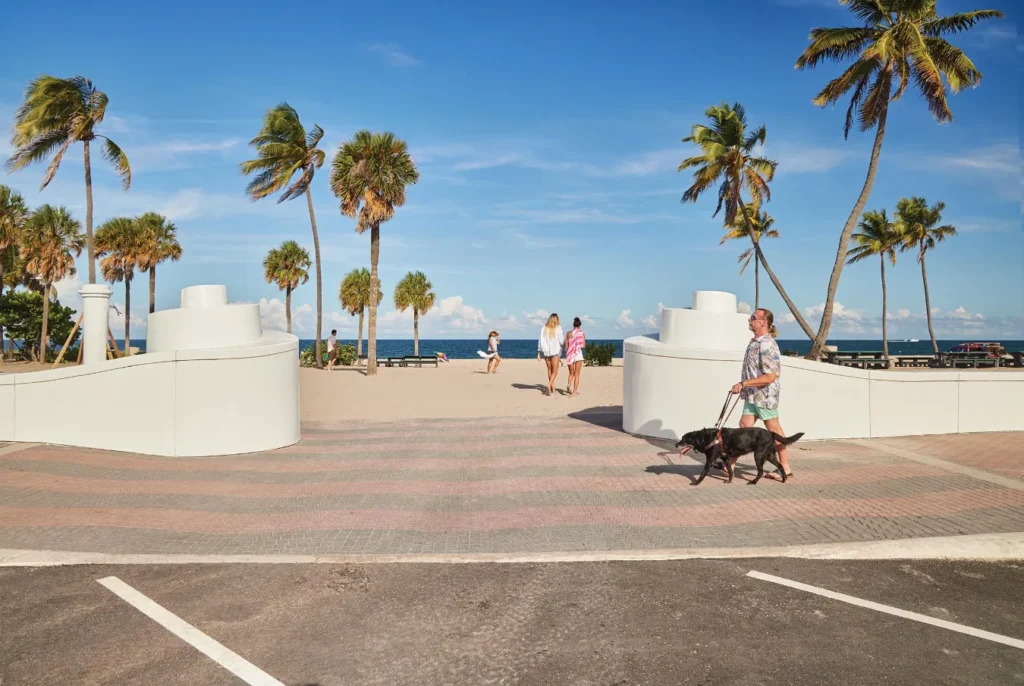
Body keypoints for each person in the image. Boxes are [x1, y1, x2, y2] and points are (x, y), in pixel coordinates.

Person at [726, 308, 793, 480]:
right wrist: (745, 386)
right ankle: (730, 464)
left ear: (764, 322)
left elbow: (770, 376)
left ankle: (784, 467)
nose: (749, 320)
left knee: (774, 430)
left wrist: (743, 384)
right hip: (751, 395)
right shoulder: (755, 342)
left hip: (764, 395)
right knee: (744, 427)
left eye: (753, 318)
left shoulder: (767, 345)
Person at [537, 313, 564, 396]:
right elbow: (561, 341)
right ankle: (549, 385)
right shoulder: (558, 328)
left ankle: (553, 388)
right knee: (555, 371)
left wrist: (539, 353)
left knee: (549, 369)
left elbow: (540, 341)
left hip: (546, 352)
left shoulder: (544, 328)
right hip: (555, 351)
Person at [564, 317, 586, 396]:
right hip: (578, 353)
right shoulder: (581, 333)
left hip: (570, 354)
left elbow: (566, 347)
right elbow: (583, 345)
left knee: (571, 373)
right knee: (577, 374)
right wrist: (577, 344)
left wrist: (570, 350)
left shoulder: (568, 333)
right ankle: (574, 392)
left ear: (573, 325)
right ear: (580, 325)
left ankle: (569, 384)